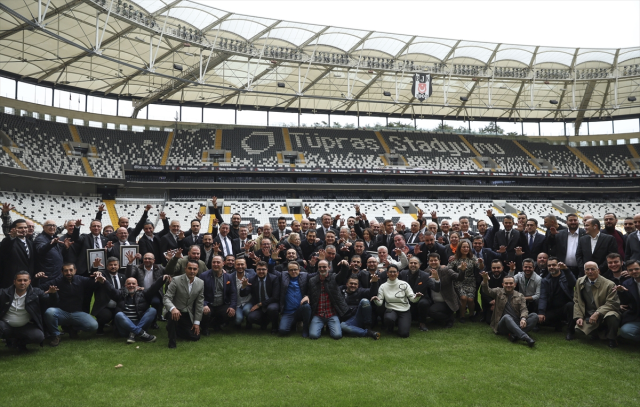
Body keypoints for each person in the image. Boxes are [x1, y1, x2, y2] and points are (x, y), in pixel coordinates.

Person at [39, 263, 100, 346]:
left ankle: (73, 329)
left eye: (71, 270)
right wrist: (38, 279)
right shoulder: (57, 281)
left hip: (77, 313)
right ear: (62, 272)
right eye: (66, 271)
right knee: (50, 312)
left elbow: (93, 282)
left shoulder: (81, 279)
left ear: (75, 271)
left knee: (94, 325)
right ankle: (56, 335)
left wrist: (95, 269)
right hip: (62, 312)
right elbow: (40, 287)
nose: (68, 273)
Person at [97, 274, 168, 344]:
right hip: (124, 328)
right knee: (119, 314)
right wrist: (104, 282)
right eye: (129, 284)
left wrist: (162, 279)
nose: (131, 285)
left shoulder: (143, 293)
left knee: (152, 310)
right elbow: (111, 290)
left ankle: (133, 333)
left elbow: (153, 288)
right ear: (125, 285)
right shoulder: (120, 294)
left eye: (133, 284)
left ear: (137, 285)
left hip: (140, 324)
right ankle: (140, 333)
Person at [0, 271, 58, 350]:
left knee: (39, 336)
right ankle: (9, 339)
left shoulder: (36, 292)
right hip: (5, 325)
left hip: (25, 326)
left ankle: (19, 343)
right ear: (14, 282)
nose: (22, 283)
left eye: (25, 280)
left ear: (29, 282)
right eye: (19, 280)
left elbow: (51, 303)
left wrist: (53, 294)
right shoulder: (4, 293)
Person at [571, 261, 621, 348]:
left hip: (607, 312)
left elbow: (612, 303)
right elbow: (577, 300)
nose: (590, 271)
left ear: (598, 270)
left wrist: (598, 313)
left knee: (612, 317)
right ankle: (598, 333)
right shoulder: (579, 281)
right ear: (584, 271)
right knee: (579, 330)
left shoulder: (609, 284)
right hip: (589, 313)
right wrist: (579, 316)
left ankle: (612, 338)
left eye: (593, 269)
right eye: (587, 269)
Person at [480, 271, 537, 347]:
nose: (508, 285)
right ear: (503, 285)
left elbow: (524, 309)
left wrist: (523, 318)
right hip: (502, 325)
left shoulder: (520, 295)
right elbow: (487, 290)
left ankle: (514, 335)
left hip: (517, 323)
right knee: (507, 317)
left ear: (515, 284)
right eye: (506, 283)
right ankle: (525, 337)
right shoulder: (498, 292)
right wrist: (485, 280)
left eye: (511, 283)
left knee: (534, 316)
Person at [372, 264, 423, 338]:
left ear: (398, 273)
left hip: (404, 310)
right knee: (389, 318)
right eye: (390, 272)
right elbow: (379, 303)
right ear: (387, 273)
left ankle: (400, 325)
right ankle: (390, 327)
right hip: (391, 309)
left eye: (394, 272)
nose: (392, 274)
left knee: (404, 334)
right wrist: (376, 300)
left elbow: (413, 299)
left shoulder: (404, 284)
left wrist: (417, 297)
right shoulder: (383, 286)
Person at [164, 260, 204, 348]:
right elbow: (167, 298)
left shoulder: (200, 283)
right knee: (173, 317)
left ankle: (174, 328)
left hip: (188, 313)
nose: (192, 271)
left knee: (195, 337)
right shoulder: (176, 280)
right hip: (175, 311)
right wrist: (173, 308)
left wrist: (197, 322)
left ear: (198, 270)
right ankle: (172, 341)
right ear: (185, 269)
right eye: (190, 268)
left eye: (194, 269)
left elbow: (199, 304)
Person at [308, 260, 349, 339]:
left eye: (324, 267)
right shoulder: (312, 280)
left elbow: (343, 275)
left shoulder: (334, 277)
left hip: (332, 314)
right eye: (320, 267)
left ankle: (329, 327)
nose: (322, 269)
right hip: (318, 314)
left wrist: (344, 266)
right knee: (313, 336)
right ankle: (323, 326)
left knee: (337, 335)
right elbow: (309, 293)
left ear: (329, 268)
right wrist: (306, 296)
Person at [537, 257, 576, 336]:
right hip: (552, 308)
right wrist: (541, 312)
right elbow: (543, 296)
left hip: (565, 308)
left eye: (554, 265)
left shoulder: (566, 276)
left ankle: (570, 331)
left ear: (559, 266)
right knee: (541, 319)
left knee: (571, 305)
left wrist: (566, 269)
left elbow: (573, 283)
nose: (551, 267)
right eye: (549, 265)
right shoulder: (545, 280)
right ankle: (558, 323)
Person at [399, 257, 440, 332]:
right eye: (411, 263)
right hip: (407, 299)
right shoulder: (402, 273)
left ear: (419, 265)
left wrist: (437, 279)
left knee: (423, 303)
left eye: (415, 263)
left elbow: (436, 289)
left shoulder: (425, 275)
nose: (413, 265)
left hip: (422, 299)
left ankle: (422, 323)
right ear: (408, 264)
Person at [126, 252, 167, 326]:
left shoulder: (159, 268)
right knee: (142, 305)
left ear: (154, 260)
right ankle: (141, 320)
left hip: (155, 292)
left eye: (149, 258)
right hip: (141, 292)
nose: (147, 260)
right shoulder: (137, 268)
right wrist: (130, 263)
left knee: (156, 302)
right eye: (145, 258)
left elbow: (169, 271)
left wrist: (170, 261)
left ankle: (154, 321)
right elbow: (129, 276)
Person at [425, 253, 465, 328]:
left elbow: (459, 278)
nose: (433, 262)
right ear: (428, 262)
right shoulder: (426, 272)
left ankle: (449, 319)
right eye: (431, 260)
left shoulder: (446, 270)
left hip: (447, 301)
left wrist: (462, 271)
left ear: (439, 261)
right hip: (434, 301)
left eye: (435, 260)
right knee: (425, 307)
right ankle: (438, 319)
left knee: (432, 311)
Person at [240, 261, 280, 333]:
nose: (261, 271)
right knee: (251, 317)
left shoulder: (274, 279)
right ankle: (264, 323)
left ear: (267, 270)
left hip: (271, 303)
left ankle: (275, 327)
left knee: (272, 309)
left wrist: (260, 304)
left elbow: (275, 297)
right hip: (257, 303)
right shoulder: (252, 279)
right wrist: (243, 287)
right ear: (256, 270)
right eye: (259, 269)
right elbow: (243, 294)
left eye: (263, 269)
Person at [448, 239, 483, 323]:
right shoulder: (455, 258)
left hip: (470, 281)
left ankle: (471, 314)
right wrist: (457, 272)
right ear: (460, 248)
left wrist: (481, 263)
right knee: (463, 298)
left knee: (471, 299)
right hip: (459, 281)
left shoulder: (472, 257)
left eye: (467, 247)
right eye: (464, 247)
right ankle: (462, 315)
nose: (466, 249)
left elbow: (480, 267)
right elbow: (448, 268)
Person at [200, 256, 237, 335]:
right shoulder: (203, 276)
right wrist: (204, 304)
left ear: (223, 263)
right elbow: (199, 293)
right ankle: (204, 328)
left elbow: (233, 293)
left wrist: (232, 306)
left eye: (218, 262)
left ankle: (215, 324)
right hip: (209, 303)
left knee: (232, 314)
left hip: (222, 304)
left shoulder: (228, 277)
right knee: (205, 312)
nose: (215, 264)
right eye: (213, 262)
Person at [90, 257, 126, 335]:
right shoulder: (102, 275)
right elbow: (95, 275)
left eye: (115, 265)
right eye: (110, 265)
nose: (113, 267)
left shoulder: (123, 276)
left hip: (118, 304)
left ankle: (115, 325)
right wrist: (94, 268)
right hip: (105, 305)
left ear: (118, 266)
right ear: (107, 266)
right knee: (105, 316)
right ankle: (100, 328)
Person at [339, 274, 380, 340]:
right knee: (343, 326)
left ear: (358, 285)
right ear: (347, 284)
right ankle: (367, 332)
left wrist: (374, 283)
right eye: (351, 283)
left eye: (355, 284)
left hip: (360, 317)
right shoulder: (341, 292)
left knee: (365, 301)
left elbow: (371, 292)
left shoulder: (360, 291)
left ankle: (368, 327)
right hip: (349, 319)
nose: (353, 285)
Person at [34, 219, 75, 283]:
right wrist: (51, 244)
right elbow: (41, 250)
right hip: (48, 276)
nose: (52, 227)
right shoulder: (40, 239)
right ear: (43, 227)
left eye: (54, 225)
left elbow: (57, 254)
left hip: (56, 274)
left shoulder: (53, 237)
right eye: (49, 225)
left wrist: (65, 248)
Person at [546, 213, 585, 277]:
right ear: (566, 222)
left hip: (580, 269)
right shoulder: (559, 233)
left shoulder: (584, 233)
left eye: (575, 220)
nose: (573, 222)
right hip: (563, 268)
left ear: (578, 221)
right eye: (570, 220)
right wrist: (552, 235)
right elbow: (550, 245)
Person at [278, 262, 311, 337]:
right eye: (291, 270)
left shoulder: (305, 276)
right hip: (288, 312)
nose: (293, 271)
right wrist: (272, 260)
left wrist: (307, 295)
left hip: (300, 310)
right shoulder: (283, 275)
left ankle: (305, 328)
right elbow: (272, 271)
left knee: (306, 306)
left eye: (295, 269)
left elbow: (317, 274)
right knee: (283, 331)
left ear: (299, 270)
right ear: (288, 271)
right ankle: (293, 324)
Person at [0, 219, 35, 288]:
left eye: (25, 227)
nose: (23, 230)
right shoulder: (9, 241)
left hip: (26, 281)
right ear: (14, 229)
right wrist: (12, 237)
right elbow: (4, 249)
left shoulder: (30, 243)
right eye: (20, 228)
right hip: (11, 281)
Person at [615, 260, 640, 343]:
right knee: (625, 331)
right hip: (636, 318)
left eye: (636, 269)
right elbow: (626, 301)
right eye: (630, 270)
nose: (634, 272)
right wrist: (621, 291)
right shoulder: (626, 283)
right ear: (627, 272)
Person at [229, 257, 255, 327]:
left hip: (248, 302)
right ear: (234, 265)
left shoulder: (252, 273)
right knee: (238, 320)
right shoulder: (230, 277)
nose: (240, 266)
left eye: (242, 264)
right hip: (237, 304)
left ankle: (249, 321)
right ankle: (240, 319)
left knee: (246, 310)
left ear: (246, 265)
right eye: (238, 264)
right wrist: (232, 305)